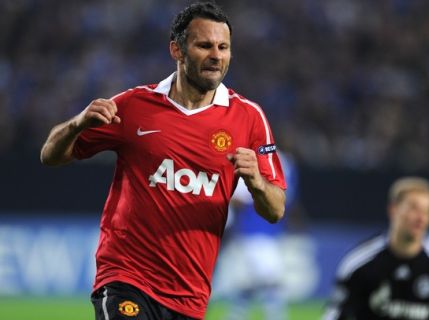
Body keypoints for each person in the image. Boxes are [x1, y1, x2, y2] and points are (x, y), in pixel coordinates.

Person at [39, 2, 286, 320]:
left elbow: (276, 209)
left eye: (223, 47)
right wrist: (77, 124)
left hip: (191, 295)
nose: (216, 55)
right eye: (204, 45)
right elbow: (50, 156)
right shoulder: (134, 106)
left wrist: (255, 181)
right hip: (126, 277)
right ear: (177, 50)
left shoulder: (249, 118)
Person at [323, 177, 429, 320]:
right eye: (414, 208)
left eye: (427, 211)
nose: (421, 218)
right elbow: (335, 314)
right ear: (393, 209)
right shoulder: (359, 263)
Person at [222, 151, 298, 320]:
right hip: (260, 231)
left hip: (256, 230)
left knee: (259, 283)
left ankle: (235, 316)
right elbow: (287, 198)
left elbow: (239, 197)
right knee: (267, 282)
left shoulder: (250, 158)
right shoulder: (283, 161)